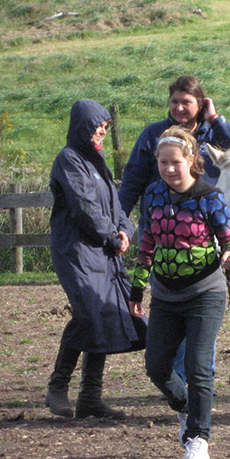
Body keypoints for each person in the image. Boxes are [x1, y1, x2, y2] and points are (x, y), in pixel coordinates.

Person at [119, 75, 230, 381]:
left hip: (207, 236)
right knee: (171, 310)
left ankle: (198, 382)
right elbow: (132, 183)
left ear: (200, 103)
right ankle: (184, 385)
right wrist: (120, 224)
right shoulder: (153, 136)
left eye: (186, 102)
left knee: (203, 314)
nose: (179, 107)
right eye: (174, 101)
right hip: (163, 239)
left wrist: (216, 119)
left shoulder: (213, 135)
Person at [129, 126, 230, 459]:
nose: (168, 169)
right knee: (156, 366)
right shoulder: (153, 195)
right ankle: (189, 407)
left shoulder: (209, 196)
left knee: (197, 366)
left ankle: (198, 437)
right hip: (165, 294)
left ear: (191, 160)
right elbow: (147, 244)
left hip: (205, 293)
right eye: (163, 163)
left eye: (175, 162)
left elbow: (228, 235)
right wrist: (137, 288)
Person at [46, 100, 146, 420]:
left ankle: (90, 396)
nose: (102, 131)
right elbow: (84, 206)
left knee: (103, 314)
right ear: (82, 128)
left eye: (105, 126)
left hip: (102, 252)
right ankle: (57, 388)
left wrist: (124, 229)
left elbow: (114, 205)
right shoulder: (69, 160)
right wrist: (112, 237)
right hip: (75, 251)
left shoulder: (97, 162)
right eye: (97, 126)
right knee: (89, 314)